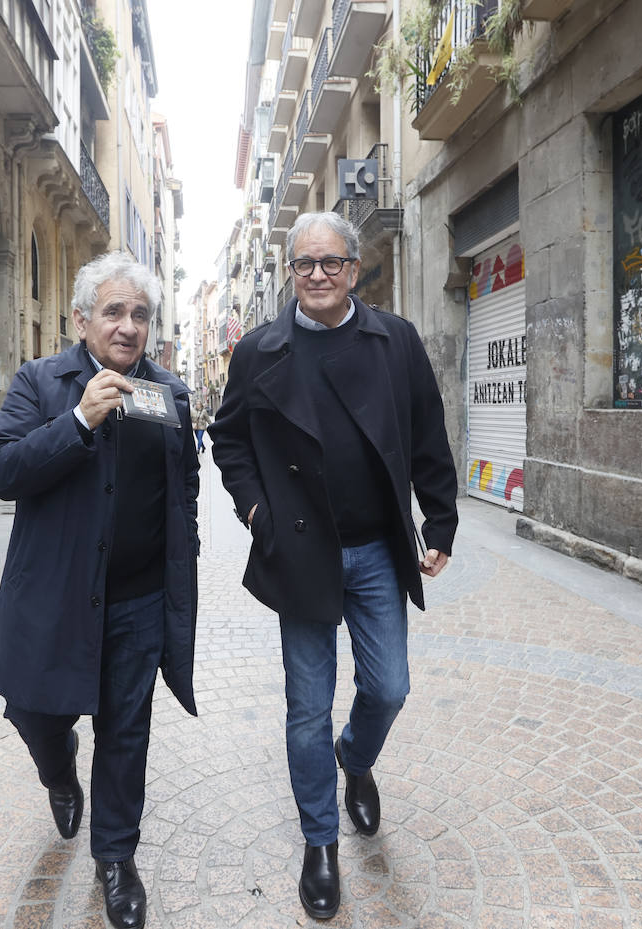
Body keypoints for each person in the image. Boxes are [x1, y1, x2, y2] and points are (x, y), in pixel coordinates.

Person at [208, 212, 458, 920]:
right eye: (304, 264)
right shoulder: (259, 350)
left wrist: (439, 517)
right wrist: (256, 514)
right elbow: (229, 442)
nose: (317, 274)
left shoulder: (395, 341)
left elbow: (428, 429)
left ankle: (357, 755)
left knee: (389, 686)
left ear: (354, 270)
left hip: (378, 546)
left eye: (332, 262)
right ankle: (321, 844)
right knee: (305, 707)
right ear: (292, 272)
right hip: (301, 550)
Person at [0, 251, 199, 929]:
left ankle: (115, 859)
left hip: (136, 601)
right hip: (56, 599)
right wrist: (77, 422)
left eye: (139, 313)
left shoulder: (170, 394)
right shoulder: (41, 382)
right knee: (34, 712)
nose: (128, 326)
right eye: (113, 311)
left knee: (126, 731)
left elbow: (183, 486)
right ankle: (58, 767)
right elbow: (0, 469)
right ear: (82, 320)